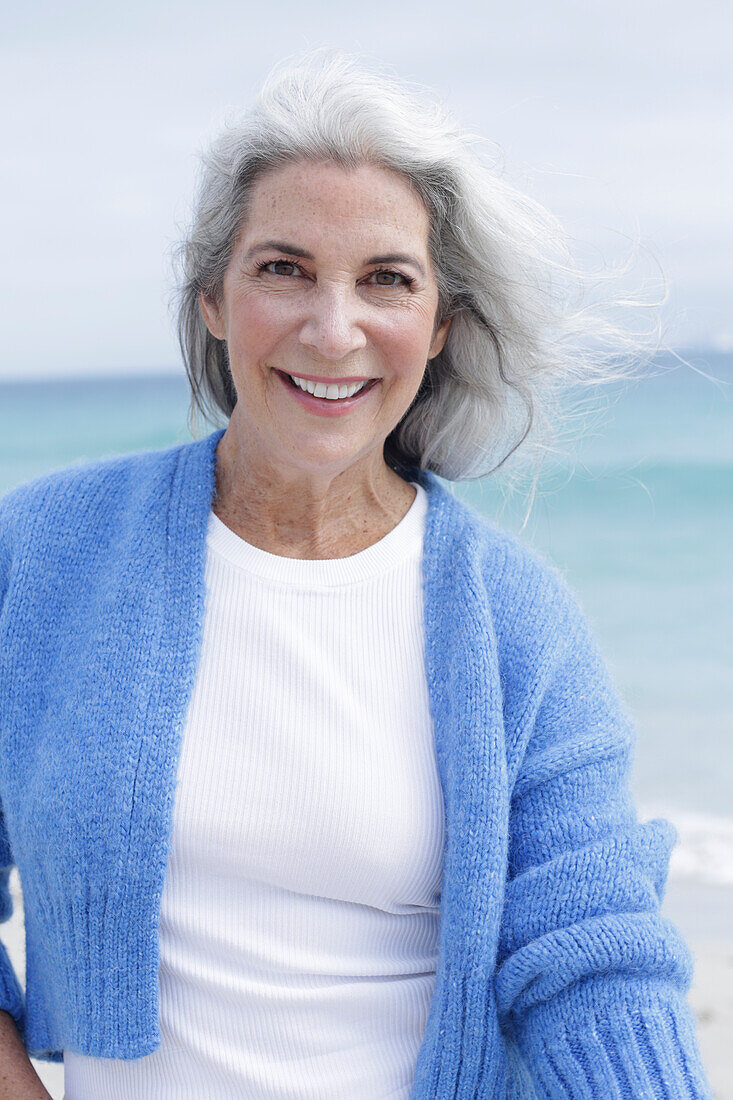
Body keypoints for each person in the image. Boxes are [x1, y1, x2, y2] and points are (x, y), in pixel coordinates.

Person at [0, 48, 714, 1100]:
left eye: (386, 278)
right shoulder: (47, 552)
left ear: (438, 328)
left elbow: (594, 957)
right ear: (211, 297)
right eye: (283, 268)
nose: (333, 329)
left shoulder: (518, 622)